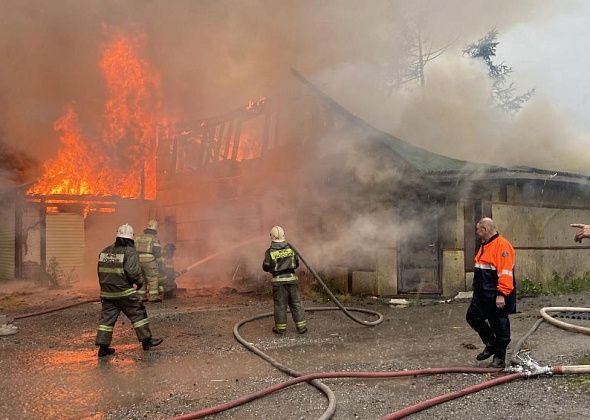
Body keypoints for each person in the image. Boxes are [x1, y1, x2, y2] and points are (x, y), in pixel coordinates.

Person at [95, 223, 163, 358]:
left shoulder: (105, 251)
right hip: (124, 293)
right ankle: (146, 341)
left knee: (106, 321)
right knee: (138, 313)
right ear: (130, 238)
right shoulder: (129, 251)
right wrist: (138, 283)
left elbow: (100, 271)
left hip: (107, 293)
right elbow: (133, 272)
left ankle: (103, 348)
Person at [466, 217, 516, 368]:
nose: (476, 232)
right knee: (473, 317)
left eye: (478, 229)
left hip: (496, 294)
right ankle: (491, 344)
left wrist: (501, 294)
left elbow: (506, 273)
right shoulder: (485, 245)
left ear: (485, 230)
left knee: (499, 325)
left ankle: (499, 358)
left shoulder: (502, 246)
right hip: (482, 293)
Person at [262, 226, 307, 335]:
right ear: (284, 236)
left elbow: (266, 266)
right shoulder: (291, 249)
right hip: (292, 280)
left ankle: (281, 329)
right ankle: (301, 327)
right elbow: (296, 264)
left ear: (271, 237)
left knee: (280, 305)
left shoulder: (270, 252)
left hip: (278, 282)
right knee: (296, 303)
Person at [135, 219, 164, 302]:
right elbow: (157, 252)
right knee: (153, 278)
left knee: (142, 278)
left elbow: (132, 249)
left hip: (138, 260)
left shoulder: (138, 237)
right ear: (155, 229)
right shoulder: (154, 238)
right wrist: (160, 262)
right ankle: (153, 296)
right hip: (149, 260)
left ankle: (141, 296)